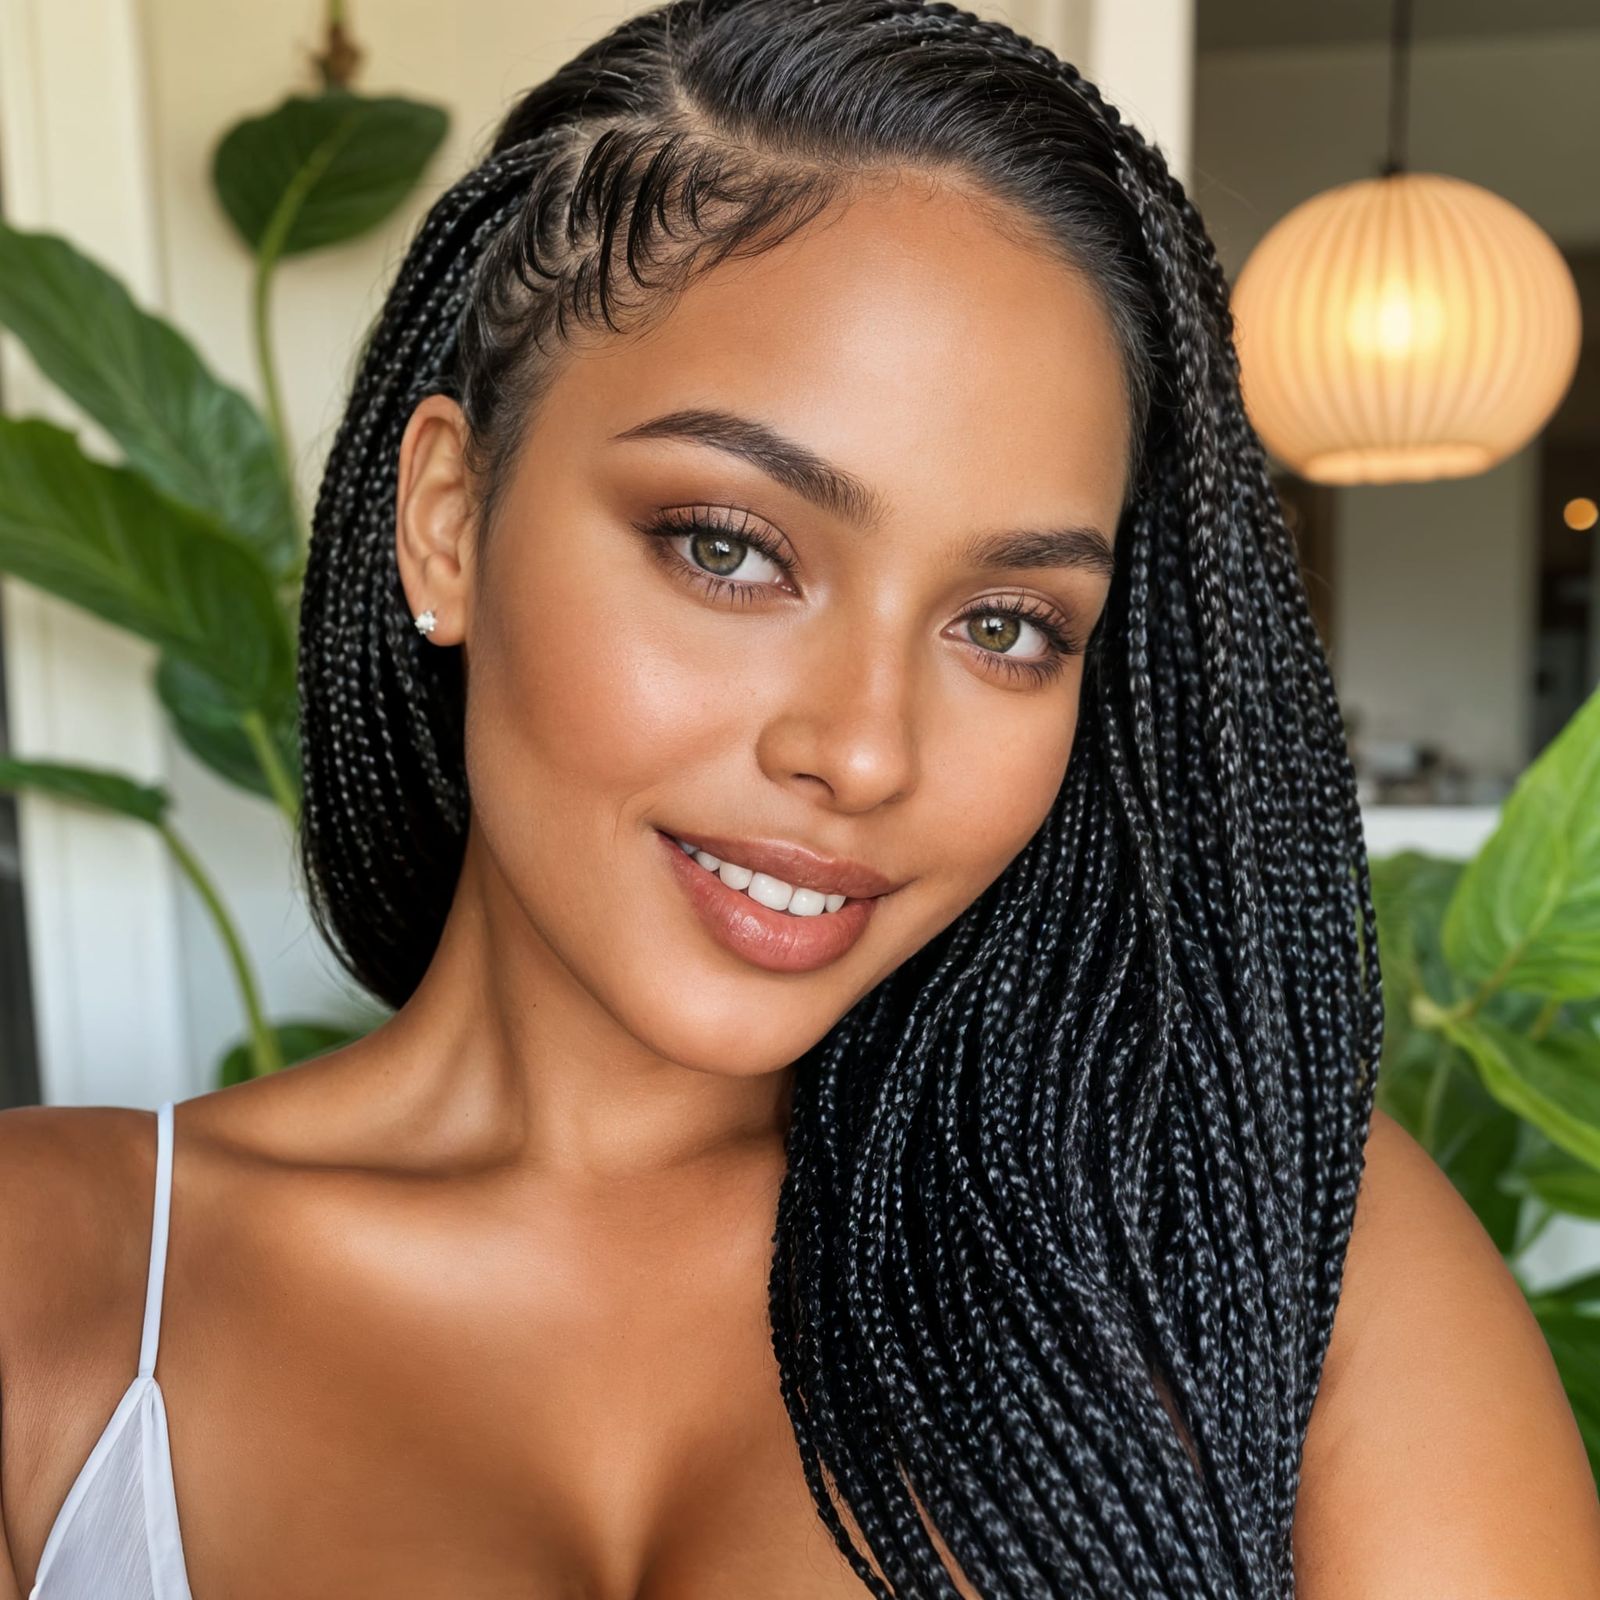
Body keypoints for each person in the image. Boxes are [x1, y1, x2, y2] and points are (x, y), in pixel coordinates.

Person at [5, 1, 1599, 1596]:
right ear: (448, 519)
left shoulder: (1266, 1237)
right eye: (730, 547)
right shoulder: (55, 1276)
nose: (865, 750)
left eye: (1006, 625)